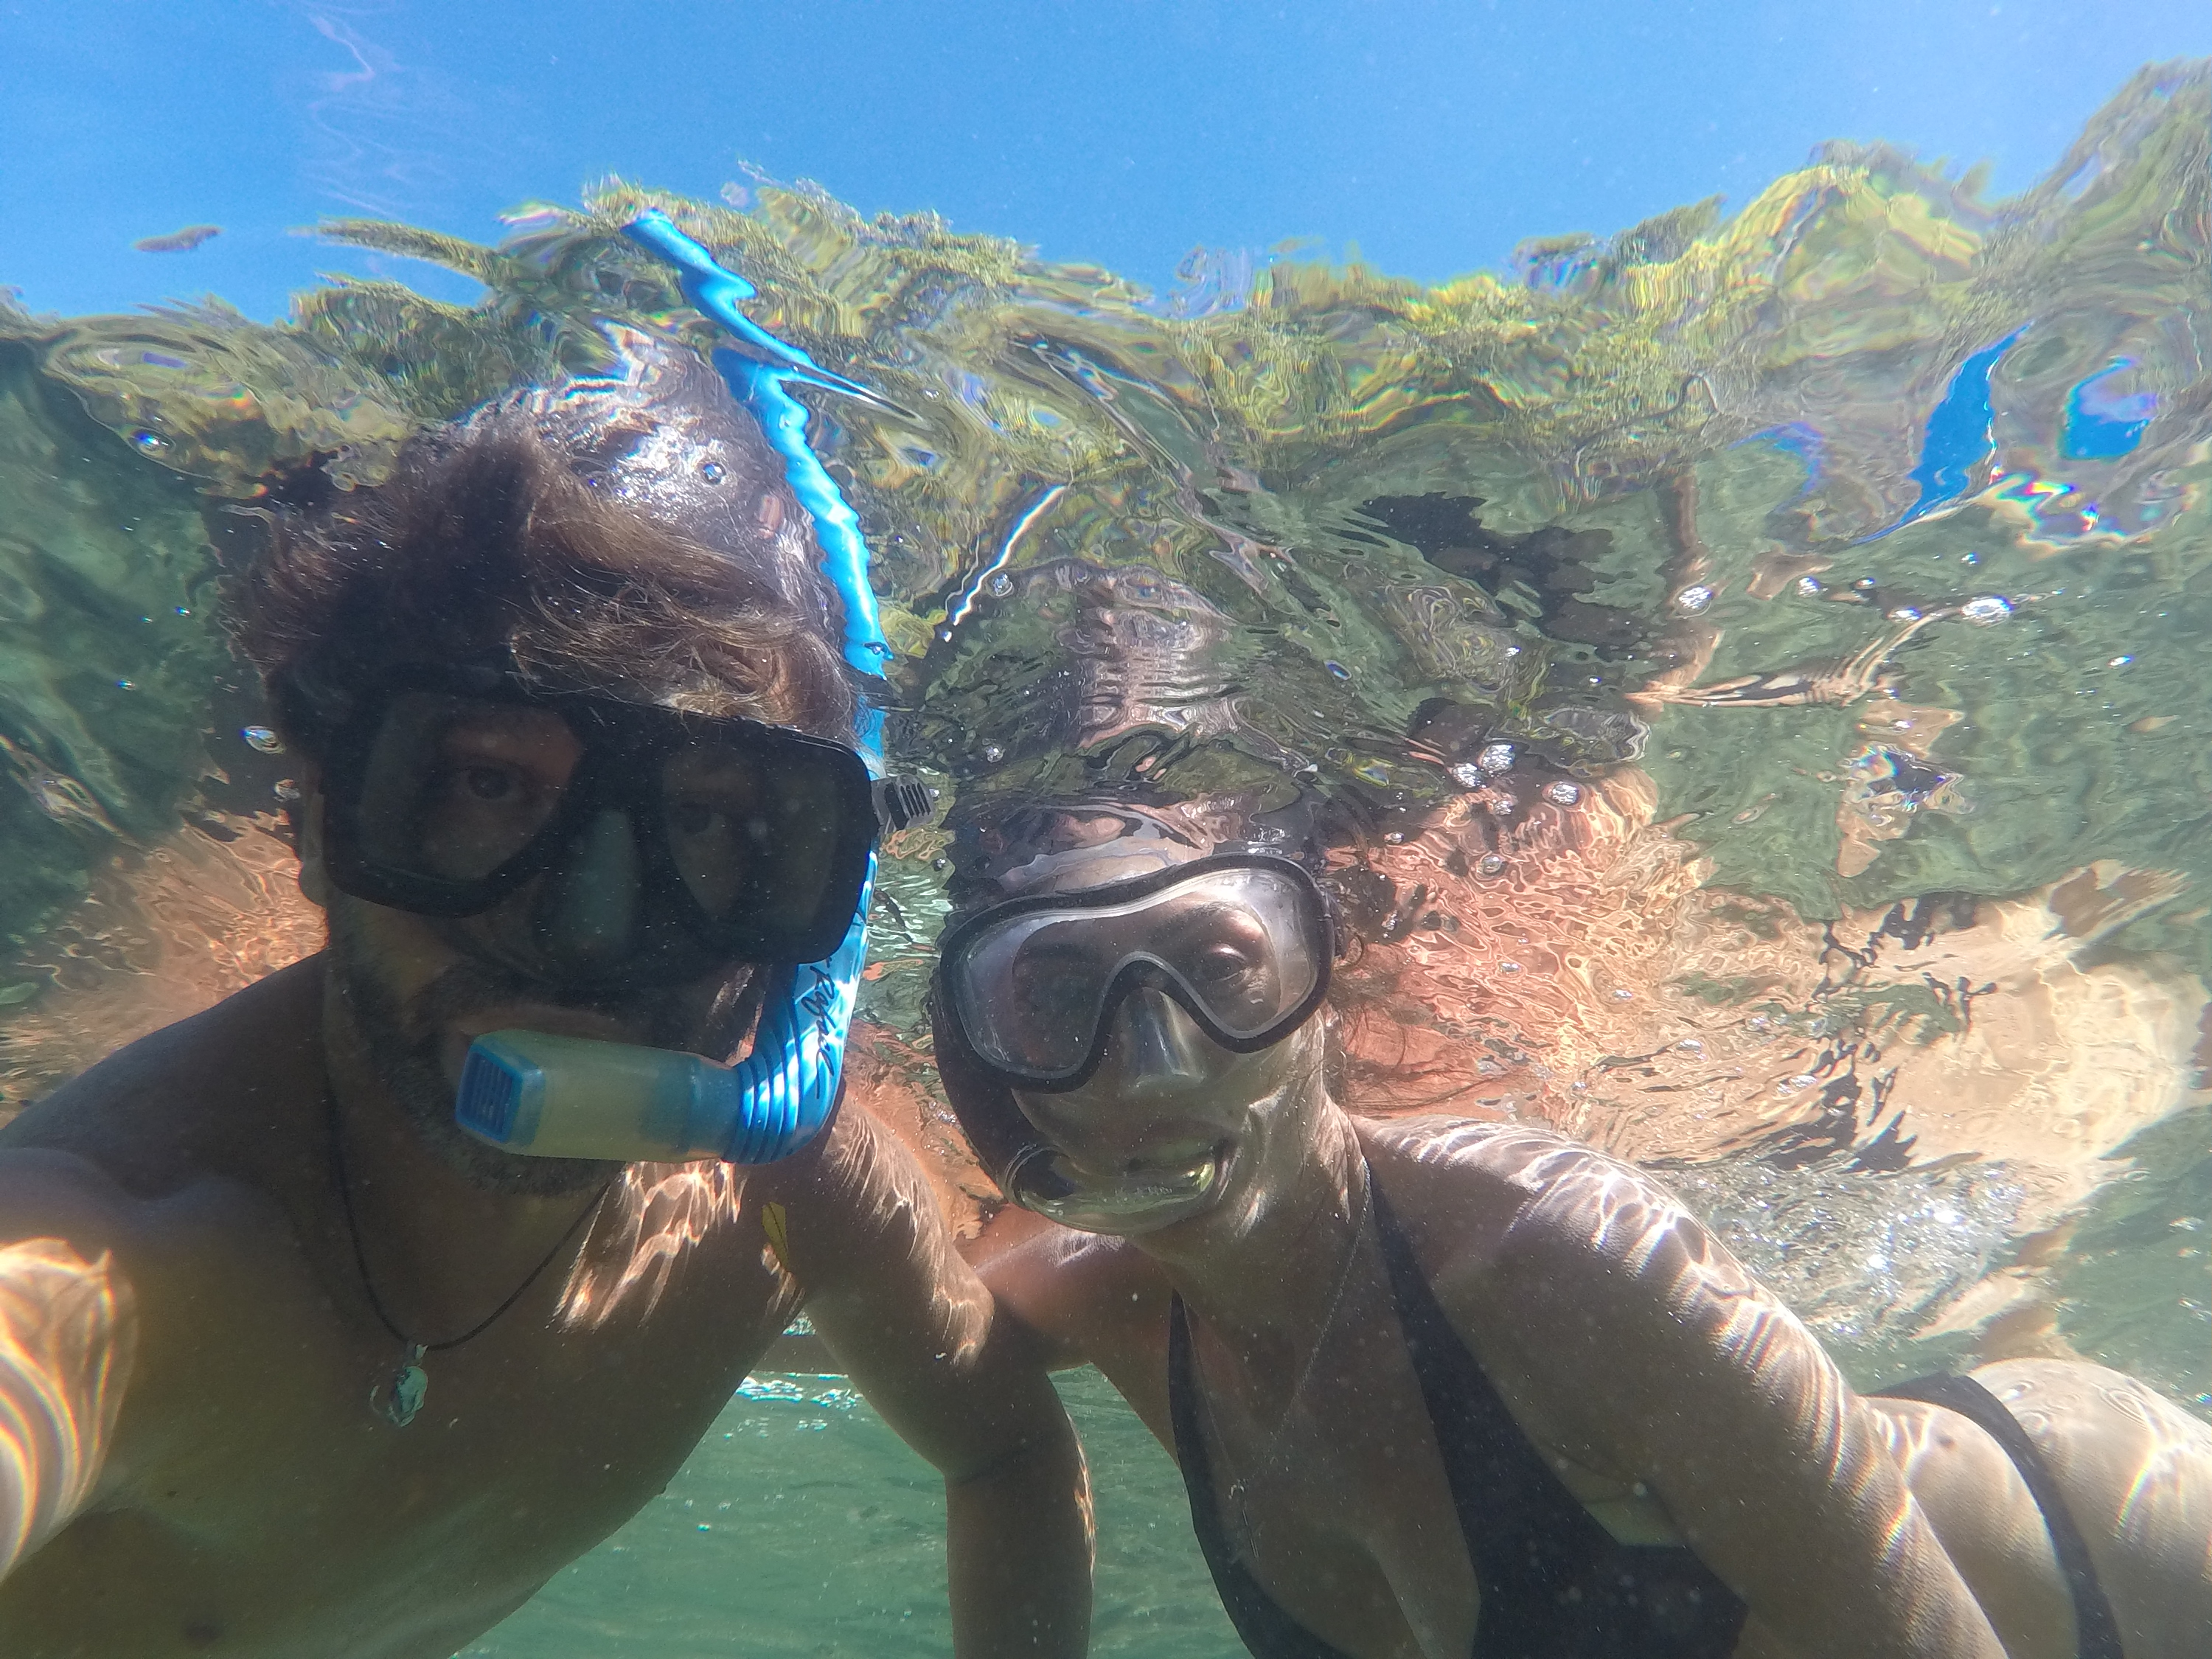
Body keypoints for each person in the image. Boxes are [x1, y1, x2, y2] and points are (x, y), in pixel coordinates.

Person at [0, 342, 1091, 1658]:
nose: (585, 933)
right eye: (487, 785)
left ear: (821, 910)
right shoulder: (114, 1259)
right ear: (319, 817)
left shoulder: (796, 1189)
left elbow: (1008, 1450)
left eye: (707, 819)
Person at [935, 796, 2212, 1659]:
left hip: (2116, 1550)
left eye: (1221, 968)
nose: (1156, 1061)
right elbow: (866, 1297)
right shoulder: (1099, 1296)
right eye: (1057, 997)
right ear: (993, 1067)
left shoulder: (1555, 1255)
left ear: (1320, 997)